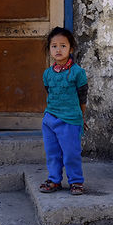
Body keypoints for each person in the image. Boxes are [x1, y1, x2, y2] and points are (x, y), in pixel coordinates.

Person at [39, 27, 89, 196]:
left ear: (71, 49)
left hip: (70, 120)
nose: (58, 50)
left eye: (63, 46)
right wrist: (48, 117)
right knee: (53, 153)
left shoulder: (78, 73)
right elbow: (50, 93)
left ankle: (76, 182)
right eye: (54, 46)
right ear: (49, 49)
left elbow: (82, 98)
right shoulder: (47, 74)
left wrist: (81, 118)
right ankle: (54, 180)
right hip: (50, 119)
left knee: (71, 153)